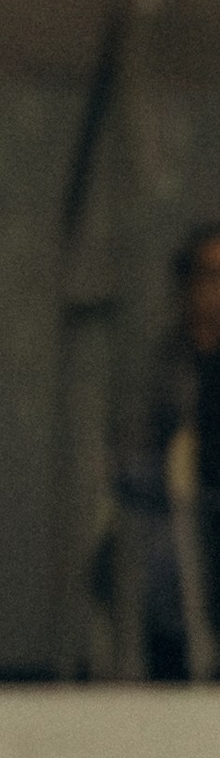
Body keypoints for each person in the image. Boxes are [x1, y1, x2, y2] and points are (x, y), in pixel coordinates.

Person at [132, 220, 220, 679]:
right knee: (165, 566)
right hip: (173, 510)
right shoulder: (167, 363)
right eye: (207, 276)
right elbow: (135, 449)